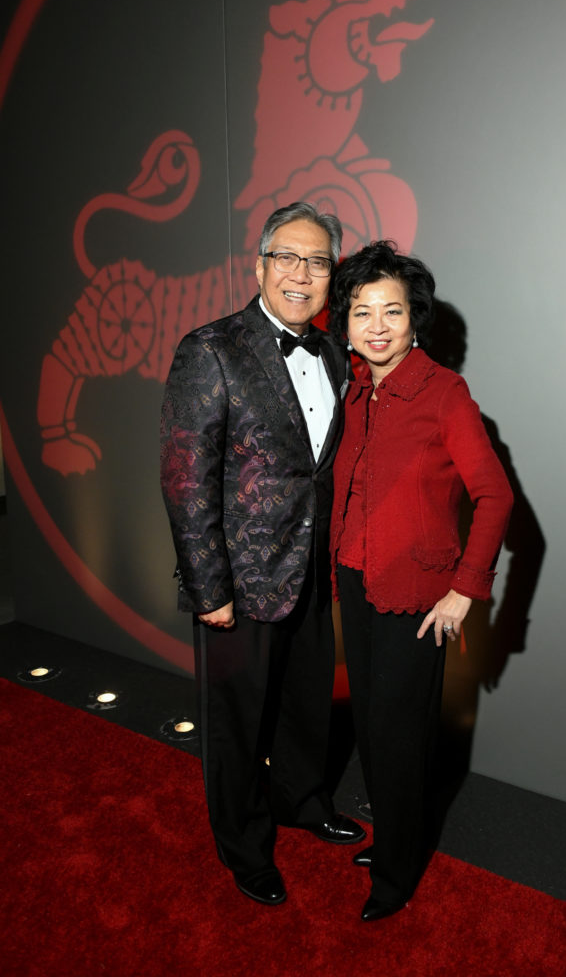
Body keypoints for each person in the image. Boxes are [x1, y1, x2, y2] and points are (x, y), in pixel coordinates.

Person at [160, 201, 365, 908]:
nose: (301, 274)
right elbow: (184, 479)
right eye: (287, 257)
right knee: (237, 721)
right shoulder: (210, 349)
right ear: (258, 266)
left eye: (316, 261)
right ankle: (243, 845)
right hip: (240, 581)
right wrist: (207, 586)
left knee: (308, 703)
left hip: (312, 568)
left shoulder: (337, 351)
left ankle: (303, 802)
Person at [328, 241, 513, 921]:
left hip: (415, 597)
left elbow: (494, 497)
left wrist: (465, 589)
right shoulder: (352, 388)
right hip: (354, 581)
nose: (376, 326)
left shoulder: (443, 394)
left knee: (399, 738)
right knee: (372, 730)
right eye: (361, 312)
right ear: (344, 322)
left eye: (392, 311)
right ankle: (391, 840)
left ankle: (398, 871)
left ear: (415, 319)